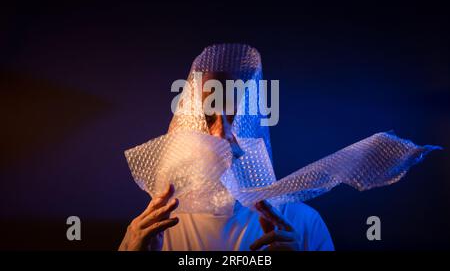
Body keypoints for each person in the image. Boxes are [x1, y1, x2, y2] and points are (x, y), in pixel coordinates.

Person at [119, 60, 334, 250]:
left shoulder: (301, 223)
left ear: (254, 126)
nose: (221, 135)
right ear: (184, 129)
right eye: (207, 119)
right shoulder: (154, 231)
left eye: (236, 117)